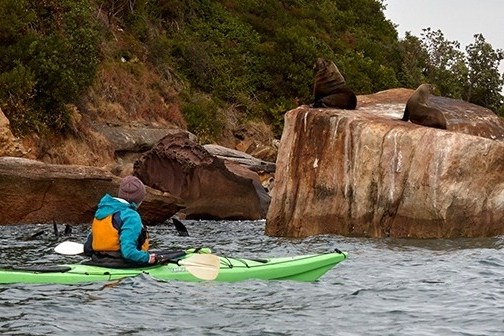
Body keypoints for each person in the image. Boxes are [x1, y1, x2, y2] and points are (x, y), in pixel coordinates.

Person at [83, 175, 157, 267]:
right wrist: (148, 258)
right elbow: (128, 252)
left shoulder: (102, 211)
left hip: (98, 260)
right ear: (139, 200)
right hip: (122, 263)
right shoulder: (130, 216)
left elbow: (88, 249)